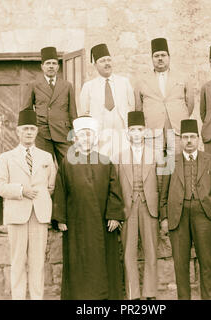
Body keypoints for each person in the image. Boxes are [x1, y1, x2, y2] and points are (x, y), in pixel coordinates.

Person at [52, 115, 125, 300]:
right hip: (77, 224)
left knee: (104, 264)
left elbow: (114, 190)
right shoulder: (67, 162)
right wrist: (60, 218)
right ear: (76, 139)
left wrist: (114, 215)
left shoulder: (105, 161)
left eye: (89, 135)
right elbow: (61, 190)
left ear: (95, 138)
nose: (86, 139)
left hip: (103, 224)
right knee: (79, 263)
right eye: (82, 135)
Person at [0, 109, 57, 300]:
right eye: (25, 129)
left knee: (38, 262)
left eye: (32, 129)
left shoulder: (46, 157)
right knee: (18, 261)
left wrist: (40, 199)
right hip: (17, 214)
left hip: (39, 214)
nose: (29, 132)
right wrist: (21, 191)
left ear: (36, 132)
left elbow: (51, 185)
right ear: (18, 132)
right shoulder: (7, 157)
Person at [160, 119, 211, 300]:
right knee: (180, 265)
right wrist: (164, 217)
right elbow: (163, 192)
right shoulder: (171, 161)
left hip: (204, 214)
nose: (189, 141)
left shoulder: (209, 159)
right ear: (180, 140)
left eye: (192, 137)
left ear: (198, 139)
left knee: (206, 263)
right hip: (178, 216)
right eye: (185, 137)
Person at [113, 111, 160, 300]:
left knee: (151, 252)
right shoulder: (118, 156)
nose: (136, 133)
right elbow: (115, 187)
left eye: (140, 129)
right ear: (127, 133)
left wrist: (161, 211)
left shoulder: (156, 155)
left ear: (145, 132)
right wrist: (118, 212)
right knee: (128, 253)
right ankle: (133, 295)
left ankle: (150, 294)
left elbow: (162, 185)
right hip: (128, 208)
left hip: (150, 207)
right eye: (132, 130)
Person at [134, 38, 194, 161]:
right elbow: (138, 107)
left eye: (163, 55)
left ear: (169, 57)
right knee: (156, 165)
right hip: (153, 131)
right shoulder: (142, 81)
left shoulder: (183, 77)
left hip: (176, 130)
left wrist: (178, 116)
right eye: (156, 56)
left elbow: (190, 104)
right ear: (152, 59)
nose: (160, 58)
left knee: (177, 163)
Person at [22, 46, 77, 165]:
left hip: (64, 133)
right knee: (44, 166)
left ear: (58, 66)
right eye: (48, 63)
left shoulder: (67, 86)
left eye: (54, 63)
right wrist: (30, 131)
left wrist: (74, 133)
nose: (51, 66)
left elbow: (73, 112)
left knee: (69, 165)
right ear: (42, 66)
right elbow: (26, 111)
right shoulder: (34, 85)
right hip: (43, 134)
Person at [79, 43, 135, 158]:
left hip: (122, 134)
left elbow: (132, 107)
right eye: (102, 61)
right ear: (95, 65)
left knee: (122, 163)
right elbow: (85, 113)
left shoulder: (124, 82)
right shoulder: (88, 86)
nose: (107, 63)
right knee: (102, 165)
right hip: (100, 136)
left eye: (109, 60)